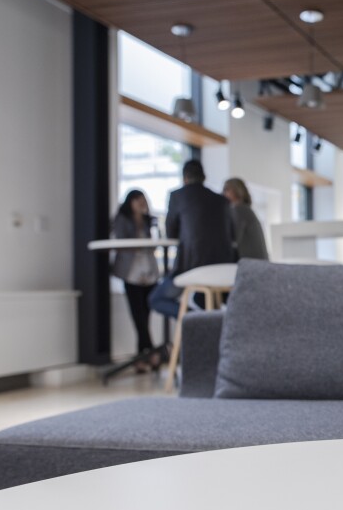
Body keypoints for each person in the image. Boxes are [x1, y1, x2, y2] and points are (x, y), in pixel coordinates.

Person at [149, 159, 236, 319]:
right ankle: (208, 322)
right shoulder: (222, 200)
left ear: (184, 178)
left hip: (192, 266)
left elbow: (171, 233)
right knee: (201, 298)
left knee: (156, 299)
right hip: (224, 267)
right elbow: (232, 235)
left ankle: (196, 320)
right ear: (204, 177)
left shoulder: (177, 196)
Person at [111, 189, 161, 372]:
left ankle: (143, 357)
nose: (141, 203)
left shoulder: (149, 221)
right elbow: (122, 243)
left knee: (145, 316)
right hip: (131, 274)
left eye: (143, 200)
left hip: (149, 273)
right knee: (138, 317)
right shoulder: (122, 219)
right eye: (137, 200)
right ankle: (150, 354)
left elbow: (154, 245)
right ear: (130, 202)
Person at [223, 177, 269, 261]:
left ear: (236, 191)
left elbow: (234, 238)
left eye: (227, 189)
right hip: (259, 261)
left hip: (253, 262)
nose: (224, 193)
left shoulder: (239, 209)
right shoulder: (246, 209)